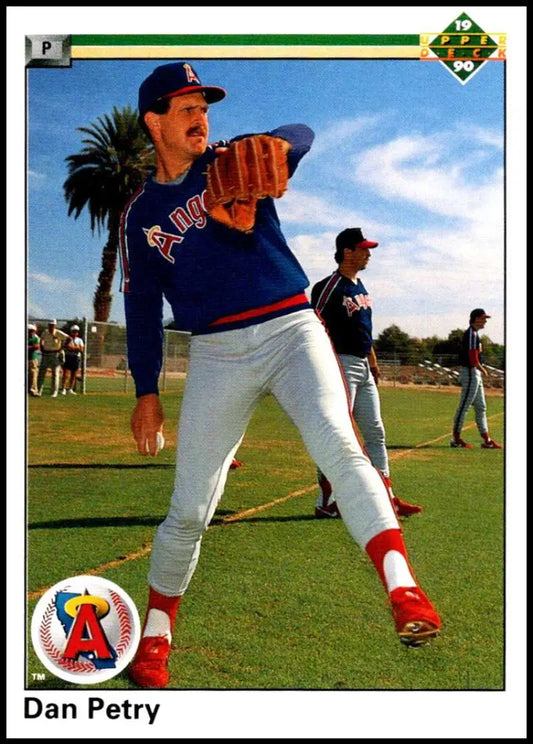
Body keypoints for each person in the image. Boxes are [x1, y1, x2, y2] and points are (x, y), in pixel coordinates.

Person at [121, 61, 441, 688]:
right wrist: (147, 393)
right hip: (215, 352)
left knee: (342, 449)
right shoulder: (141, 214)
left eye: (204, 107)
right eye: (186, 109)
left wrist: (269, 150)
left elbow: (300, 134)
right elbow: (139, 309)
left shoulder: (228, 161)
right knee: (190, 507)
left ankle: (404, 592)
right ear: (153, 121)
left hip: (292, 329)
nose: (200, 118)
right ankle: (155, 638)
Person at [311, 228, 423, 519]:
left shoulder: (361, 287)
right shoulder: (329, 287)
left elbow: (365, 331)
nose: (368, 254)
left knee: (375, 431)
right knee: (338, 433)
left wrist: (373, 363)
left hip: (361, 364)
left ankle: (388, 498)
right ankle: (326, 499)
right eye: (363, 249)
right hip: (339, 363)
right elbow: (313, 328)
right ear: (347, 252)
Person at [450, 308, 502, 449]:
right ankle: (456, 438)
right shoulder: (472, 334)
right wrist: (482, 369)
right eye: (483, 318)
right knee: (464, 406)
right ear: (476, 319)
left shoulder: (474, 335)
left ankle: (487, 440)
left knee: (481, 407)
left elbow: (476, 353)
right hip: (471, 373)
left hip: (474, 373)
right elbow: (473, 359)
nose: (485, 321)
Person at [36, 319, 69, 397]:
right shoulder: (45, 332)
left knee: (55, 373)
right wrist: (42, 347)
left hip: (55, 354)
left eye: (53, 325)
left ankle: (54, 392)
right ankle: (39, 390)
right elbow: (42, 340)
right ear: (48, 325)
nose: (51, 327)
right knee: (41, 373)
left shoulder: (58, 333)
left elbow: (69, 338)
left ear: (55, 326)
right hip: (46, 354)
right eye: (50, 325)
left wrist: (61, 348)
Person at [61, 324, 84, 395]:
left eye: (76, 332)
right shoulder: (68, 339)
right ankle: (64, 388)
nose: (75, 333)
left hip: (76, 358)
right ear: (71, 332)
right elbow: (66, 347)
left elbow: (81, 349)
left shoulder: (80, 340)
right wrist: (75, 348)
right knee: (66, 374)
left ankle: (70, 389)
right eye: (74, 331)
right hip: (68, 357)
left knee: (74, 374)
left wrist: (73, 348)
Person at [27, 323, 41, 396]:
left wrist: (28, 347)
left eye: (32, 330)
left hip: (33, 358)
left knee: (33, 374)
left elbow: (37, 346)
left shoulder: (36, 338)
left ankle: (33, 390)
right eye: (30, 330)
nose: (31, 332)